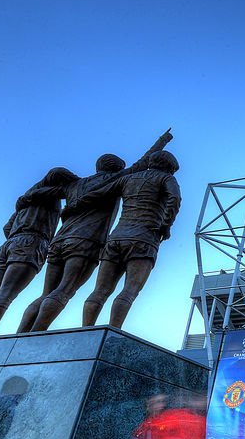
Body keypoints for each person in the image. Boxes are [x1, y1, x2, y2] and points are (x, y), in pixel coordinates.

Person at [18, 130, 173, 332]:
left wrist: (28, 199)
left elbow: (39, 193)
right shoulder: (117, 179)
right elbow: (143, 164)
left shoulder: (74, 185)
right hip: (86, 242)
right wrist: (162, 141)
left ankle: (22, 334)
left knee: (47, 293)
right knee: (65, 290)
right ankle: (37, 333)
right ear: (117, 168)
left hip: (60, 240)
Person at [0, 167, 78, 337]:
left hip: (9, 244)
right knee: (5, 295)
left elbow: (7, 227)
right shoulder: (49, 195)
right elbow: (69, 190)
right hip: (31, 242)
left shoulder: (26, 199)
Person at [74, 150, 182, 328]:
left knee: (100, 291)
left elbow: (97, 193)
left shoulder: (127, 179)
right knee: (130, 291)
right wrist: (166, 225)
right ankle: (113, 330)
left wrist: (75, 202)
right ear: (170, 167)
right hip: (144, 238)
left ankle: (86, 330)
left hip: (116, 238)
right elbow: (175, 198)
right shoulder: (166, 179)